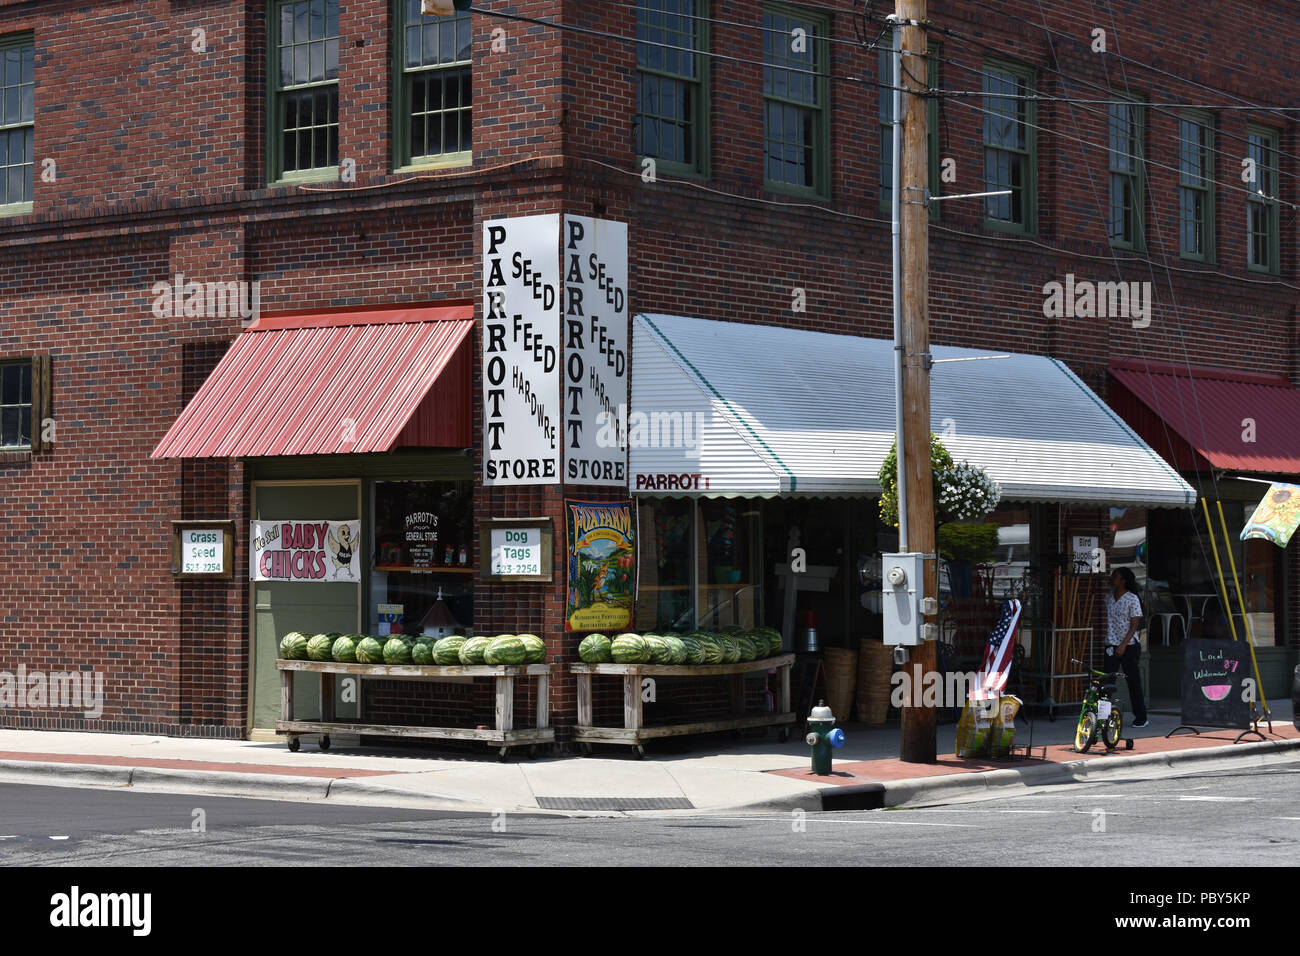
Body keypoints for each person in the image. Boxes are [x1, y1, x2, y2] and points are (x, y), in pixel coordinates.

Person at [1105, 567, 1148, 728]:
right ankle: (1103, 716)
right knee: (1107, 682)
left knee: (1133, 681)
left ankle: (1141, 716)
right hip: (1110, 644)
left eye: (1115, 576)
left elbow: (1134, 624)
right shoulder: (1109, 598)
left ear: (1123, 580)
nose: (1112, 578)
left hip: (1128, 645)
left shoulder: (1132, 599)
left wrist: (1123, 645)